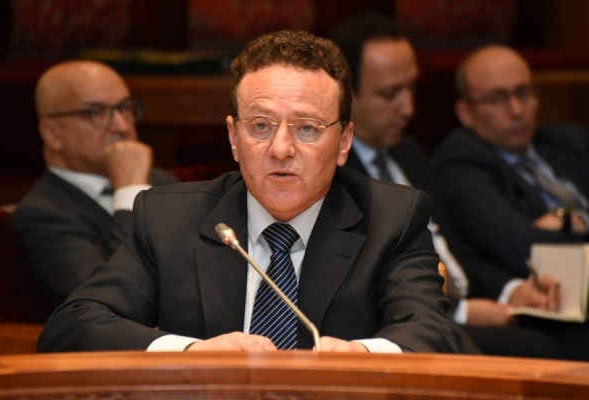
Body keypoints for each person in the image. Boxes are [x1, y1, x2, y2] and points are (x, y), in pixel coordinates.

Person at [38, 30, 472, 354]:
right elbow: (73, 325)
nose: (280, 149)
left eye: (307, 128)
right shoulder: (168, 219)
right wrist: (192, 352)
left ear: (343, 142)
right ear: (234, 138)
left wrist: (359, 356)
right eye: (261, 126)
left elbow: (432, 332)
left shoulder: (391, 218)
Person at [331, 13, 558, 358]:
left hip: (462, 308)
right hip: (412, 324)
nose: (408, 108)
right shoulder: (337, 172)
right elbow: (367, 288)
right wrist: (463, 311)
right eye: (390, 94)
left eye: (411, 88)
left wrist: (510, 291)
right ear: (347, 96)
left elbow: (457, 252)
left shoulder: (408, 152)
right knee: (535, 347)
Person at [433, 44, 589, 360]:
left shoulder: (568, 141)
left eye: (523, 92)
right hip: (552, 307)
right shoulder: (460, 162)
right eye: (497, 98)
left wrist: (574, 220)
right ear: (466, 113)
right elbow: (523, 249)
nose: (517, 110)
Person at [12, 60, 177, 308]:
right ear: (52, 134)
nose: (122, 126)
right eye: (95, 112)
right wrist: (130, 190)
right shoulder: (42, 214)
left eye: (125, 107)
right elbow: (110, 299)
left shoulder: (163, 182)